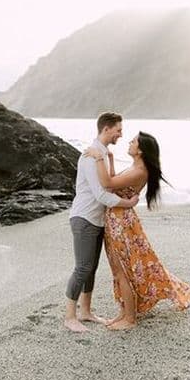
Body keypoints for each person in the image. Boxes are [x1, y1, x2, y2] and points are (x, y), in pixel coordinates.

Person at [84, 131, 190, 330]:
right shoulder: (136, 166)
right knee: (119, 270)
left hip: (121, 222)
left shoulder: (139, 170)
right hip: (118, 219)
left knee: (122, 271)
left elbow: (107, 184)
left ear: (141, 150)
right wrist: (109, 158)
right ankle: (124, 312)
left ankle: (130, 319)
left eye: (134, 141)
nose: (129, 142)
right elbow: (114, 182)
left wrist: (98, 157)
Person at [64, 112, 140, 333]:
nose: (121, 134)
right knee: (83, 267)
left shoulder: (104, 154)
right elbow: (100, 195)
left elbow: (109, 184)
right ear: (106, 129)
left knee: (92, 268)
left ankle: (85, 312)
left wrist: (112, 160)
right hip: (84, 217)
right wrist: (128, 203)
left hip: (97, 220)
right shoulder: (91, 156)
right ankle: (70, 316)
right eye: (118, 130)